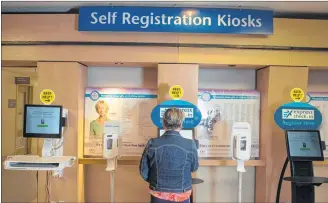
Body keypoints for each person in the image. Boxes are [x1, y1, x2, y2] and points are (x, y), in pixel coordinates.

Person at [139, 108, 199, 203]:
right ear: (181, 123)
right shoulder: (190, 144)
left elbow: (144, 172)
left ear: (163, 123)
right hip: (182, 194)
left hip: (158, 194)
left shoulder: (152, 143)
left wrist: (156, 182)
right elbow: (194, 168)